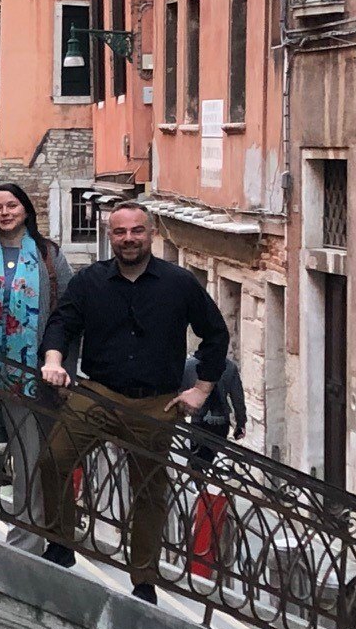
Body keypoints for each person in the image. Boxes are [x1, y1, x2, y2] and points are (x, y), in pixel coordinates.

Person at [37, 200, 231, 603]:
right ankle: (60, 543)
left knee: (149, 490)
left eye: (137, 231)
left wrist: (202, 389)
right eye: (120, 232)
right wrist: (53, 361)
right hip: (98, 391)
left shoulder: (178, 283)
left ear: (151, 234)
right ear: (111, 236)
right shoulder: (90, 280)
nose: (129, 239)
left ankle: (143, 577)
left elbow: (215, 333)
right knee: (54, 458)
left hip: (156, 402)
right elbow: (62, 322)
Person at [0, 183, 75, 555]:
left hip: (33, 373)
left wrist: (60, 361)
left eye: (11, 205)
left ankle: (28, 539)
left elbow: (67, 313)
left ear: (26, 210)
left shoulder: (49, 256)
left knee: (29, 457)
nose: (4, 212)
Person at [182, 353, 247, 475]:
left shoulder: (189, 365)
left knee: (198, 459)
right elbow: (238, 399)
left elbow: (180, 392)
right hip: (220, 422)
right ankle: (200, 482)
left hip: (199, 422)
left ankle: (198, 482)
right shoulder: (229, 367)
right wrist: (240, 423)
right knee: (208, 460)